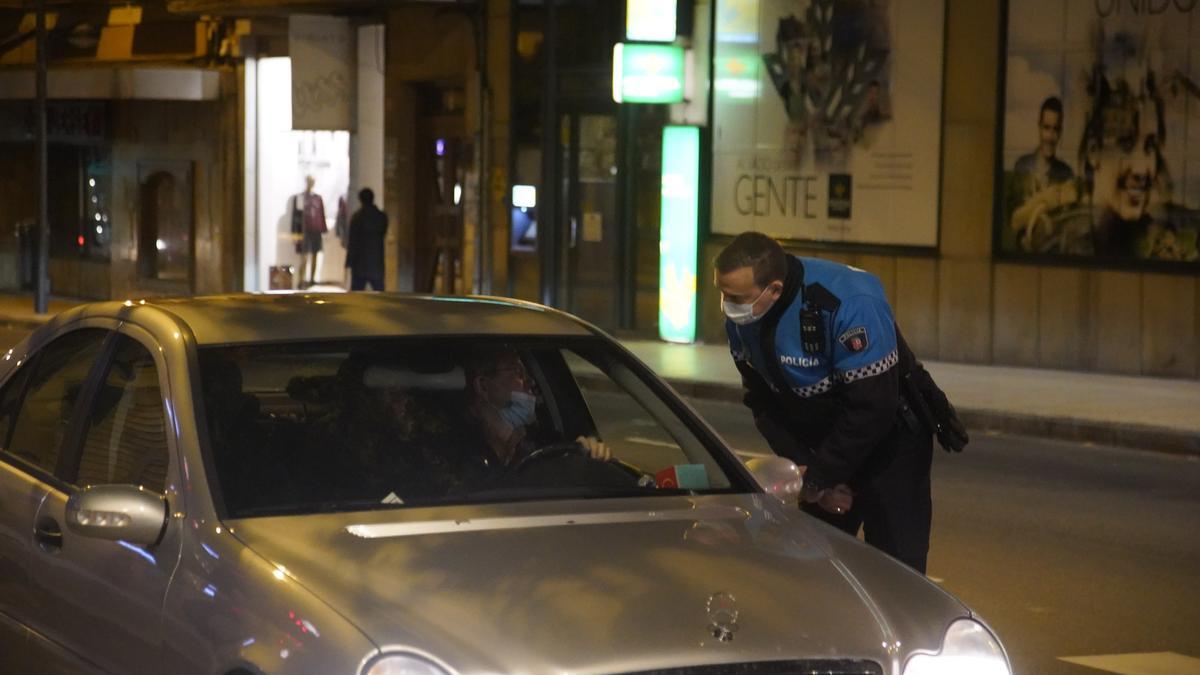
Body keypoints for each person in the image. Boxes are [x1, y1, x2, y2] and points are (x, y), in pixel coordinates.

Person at [714, 232, 935, 573]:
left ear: (773, 289)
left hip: (890, 443)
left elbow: (872, 409)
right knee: (814, 569)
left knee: (896, 571)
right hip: (818, 444)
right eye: (724, 294)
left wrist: (819, 479)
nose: (728, 306)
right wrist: (810, 480)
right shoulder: (745, 317)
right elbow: (762, 404)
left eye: (737, 297)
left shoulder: (851, 302)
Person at [448, 345, 611, 487]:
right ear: (483, 385)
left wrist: (588, 453)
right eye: (517, 372)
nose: (531, 381)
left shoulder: (546, 442)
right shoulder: (456, 450)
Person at [1013, 97, 1075, 192]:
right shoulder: (1022, 166)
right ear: (1039, 128)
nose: (1050, 136)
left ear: (1060, 132)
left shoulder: (1066, 174)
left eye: (1055, 129)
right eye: (1046, 128)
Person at [345, 187, 388, 291]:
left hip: (360, 263)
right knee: (380, 295)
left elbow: (352, 242)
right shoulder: (381, 217)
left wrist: (349, 262)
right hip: (376, 262)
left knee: (356, 296)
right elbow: (383, 233)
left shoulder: (357, 218)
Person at [292, 175, 327, 288]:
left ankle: (312, 279)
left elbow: (321, 214)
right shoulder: (300, 197)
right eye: (309, 181)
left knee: (315, 255)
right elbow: (296, 216)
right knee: (304, 256)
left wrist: (323, 228)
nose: (311, 183)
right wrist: (295, 232)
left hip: (316, 230)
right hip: (305, 231)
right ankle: (301, 280)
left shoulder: (318, 198)